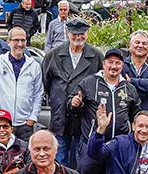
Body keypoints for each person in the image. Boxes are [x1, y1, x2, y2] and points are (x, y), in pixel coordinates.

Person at [42, 16, 103, 162]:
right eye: (74, 33)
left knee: (80, 160)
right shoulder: (53, 55)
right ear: (67, 33)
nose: (78, 37)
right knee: (59, 158)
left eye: (82, 33)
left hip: (84, 118)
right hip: (60, 116)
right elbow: (46, 82)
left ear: (87, 33)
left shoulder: (96, 56)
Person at [73, 47, 142, 148]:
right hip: (92, 144)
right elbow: (72, 107)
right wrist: (74, 104)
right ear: (104, 64)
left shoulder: (129, 88)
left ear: (122, 66)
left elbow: (136, 114)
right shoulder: (89, 83)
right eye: (110, 62)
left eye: (118, 63)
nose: (114, 66)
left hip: (120, 146)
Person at [0, 109, 30, 174]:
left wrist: (18, 172)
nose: (1, 130)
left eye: (5, 127)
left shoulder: (24, 146)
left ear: (11, 129)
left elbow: (30, 167)